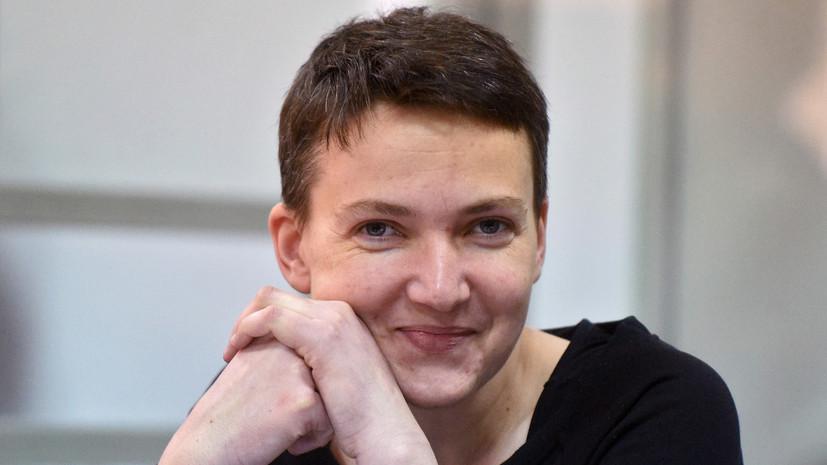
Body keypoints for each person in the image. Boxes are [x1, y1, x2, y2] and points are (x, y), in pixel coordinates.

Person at [159, 7, 743, 465]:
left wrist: (389, 444)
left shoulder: (656, 408)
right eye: (380, 230)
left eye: (488, 227)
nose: (440, 291)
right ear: (294, 248)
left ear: (538, 238)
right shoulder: (268, 412)